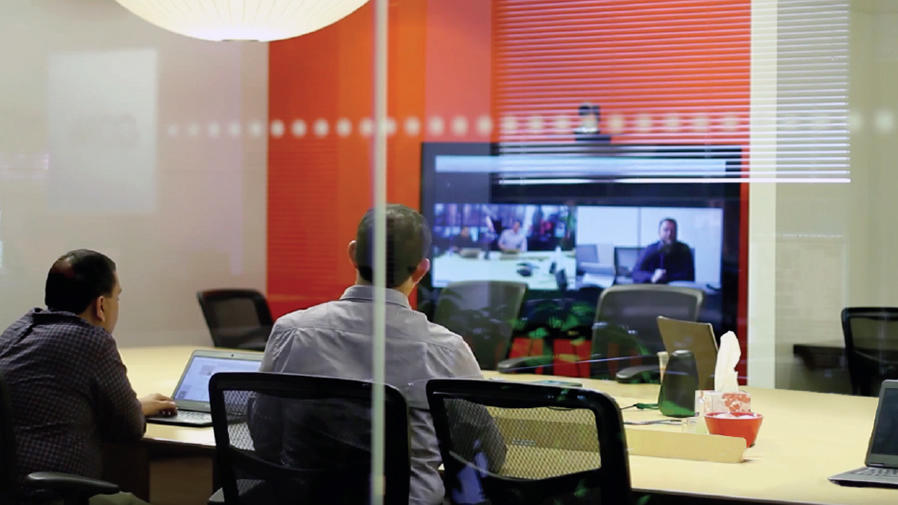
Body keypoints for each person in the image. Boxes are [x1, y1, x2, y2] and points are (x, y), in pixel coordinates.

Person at [258, 204, 504, 505]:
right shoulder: (447, 351)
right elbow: (485, 455)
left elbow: (264, 435)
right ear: (421, 269)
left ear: (353, 254)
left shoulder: (291, 331)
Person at [0, 249, 176, 505]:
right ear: (101, 305)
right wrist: (139, 408)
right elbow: (129, 428)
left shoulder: (17, 331)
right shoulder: (90, 340)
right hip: (51, 494)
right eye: (118, 297)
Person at [632, 218, 695, 284]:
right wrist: (652, 276)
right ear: (659, 232)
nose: (669, 234)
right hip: (653, 291)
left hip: (676, 290)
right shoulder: (649, 250)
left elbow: (689, 276)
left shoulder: (684, 250)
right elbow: (636, 273)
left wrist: (667, 277)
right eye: (666, 230)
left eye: (673, 231)